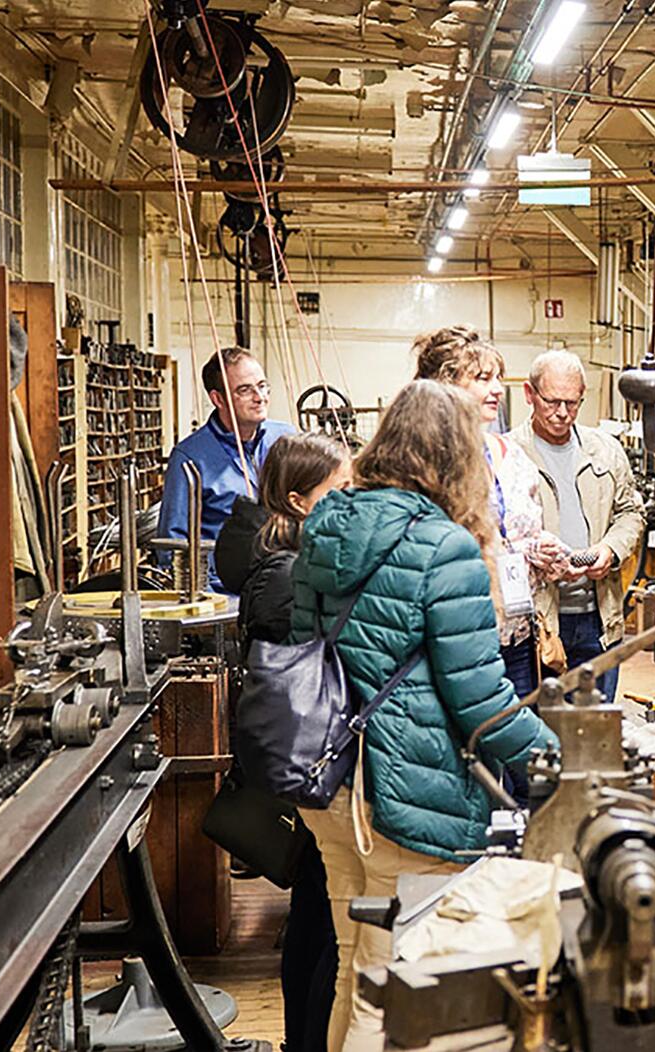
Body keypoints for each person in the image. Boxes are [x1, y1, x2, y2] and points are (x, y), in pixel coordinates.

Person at [291, 380, 560, 1052]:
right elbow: (480, 700)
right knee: (391, 988)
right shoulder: (446, 549)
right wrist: (557, 753)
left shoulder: (325, 528)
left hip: (329, 780)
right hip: (405, 792)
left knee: (356, 969)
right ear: (456, 457)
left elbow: (306, 651)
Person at [233, 431, 351, 1052]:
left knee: (315, 911)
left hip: (308, 760)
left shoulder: (292, 559)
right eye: (340, 490)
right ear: (301, 501)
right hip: (311, 763)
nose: (351, 502)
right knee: (329, 924)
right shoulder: (288, 573)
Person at [413, 327, 558, 697]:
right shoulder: (425, 461)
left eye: (498, 378)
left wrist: (540, 550)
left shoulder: (512, 456)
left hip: (517, 631)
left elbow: (519, 532)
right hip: (458, 635)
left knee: (517, 722)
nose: (497, 389)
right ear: (447, 385)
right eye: (482, 378)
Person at [511, 349, 645, 700]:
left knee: (595, 725)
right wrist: (534, 555)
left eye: (572, 403)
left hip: (599, 619)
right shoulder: (508, 455)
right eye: (552, 401)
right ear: (529, 393)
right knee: (539, 725)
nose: (562, 413)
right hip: (536, 623)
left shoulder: (606, 450)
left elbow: (631, 513)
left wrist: (610, 549)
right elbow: (491, 534)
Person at [160, 346, 295, 592]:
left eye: (262, 386)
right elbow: (173, 546)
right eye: (245, 390)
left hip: (285, 584)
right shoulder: (189, 458)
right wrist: (210, 599)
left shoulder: (286, 439)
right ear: (218, 399)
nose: (259, 397)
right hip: (226, 594)